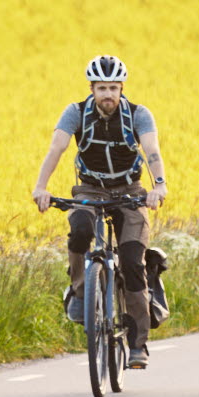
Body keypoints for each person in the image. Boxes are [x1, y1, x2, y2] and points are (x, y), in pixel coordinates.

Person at [32, 54, 168, 369]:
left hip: (130, 191)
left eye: (113, 88)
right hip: (90, 189)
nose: (108, 94)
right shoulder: (76, 112)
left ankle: (137, 344)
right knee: (79, 231)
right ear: (92, 89)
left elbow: (152, 152)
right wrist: (41, 187)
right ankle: (81, 293)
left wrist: (158, 186)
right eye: (101, 88)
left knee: (133, 260)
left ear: (122, 89)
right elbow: (57, 148)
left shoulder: (138, 114)